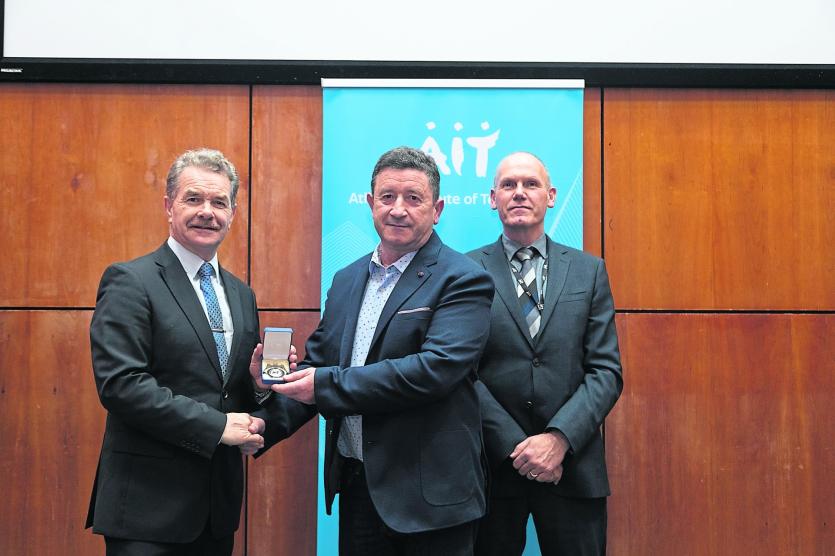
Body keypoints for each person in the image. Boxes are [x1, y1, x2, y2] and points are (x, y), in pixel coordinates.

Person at [252, 146, 495, 555]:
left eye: (413, 198)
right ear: (370, 203)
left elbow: (433, 370)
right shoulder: (347, 279)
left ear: (436, 209)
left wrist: (322, 382)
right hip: (359, 486)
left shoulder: (464, 278)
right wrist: (264, 418)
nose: (398, 209)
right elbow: (319, 365)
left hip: (429, 499)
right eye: (387, 197)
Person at [86, 148, 268, 556]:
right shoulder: (131, 280)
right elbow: (121, 385)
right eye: (194, 199)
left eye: (219, 202)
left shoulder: (242, 294)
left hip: (216, 512)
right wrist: (218, 427)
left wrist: (258, 390)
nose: (207, 212)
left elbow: (227, 391)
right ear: (169, 206)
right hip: (147, 512)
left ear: (233, 213)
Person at [468, 152, 623, 556]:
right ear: (492, 198)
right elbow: (460, 372)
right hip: (492, 471)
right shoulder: (463, 273)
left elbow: (605, 371)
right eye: (508, 185)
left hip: (572, 468)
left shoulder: (589, 271)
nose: (519, 193)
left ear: (551, 196)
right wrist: (516, 446)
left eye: (530, 184)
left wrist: (557, 439)